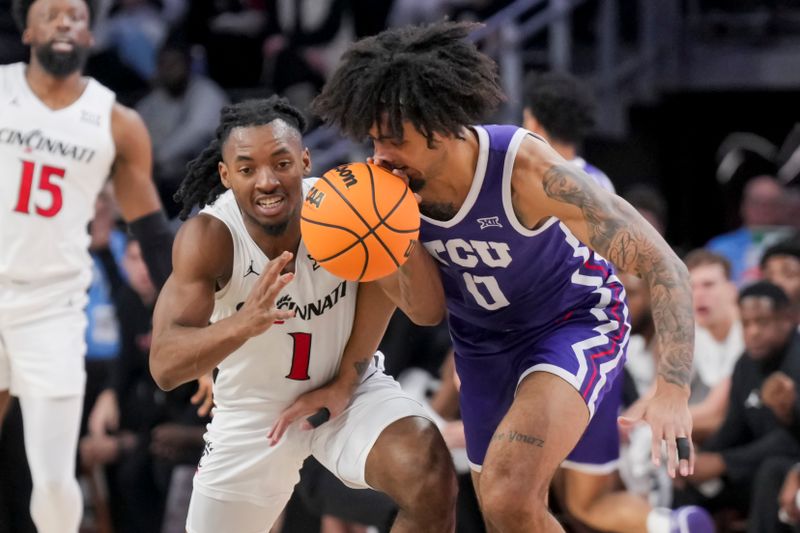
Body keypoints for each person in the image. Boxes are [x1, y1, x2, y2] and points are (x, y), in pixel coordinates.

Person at [311, 21, 701, 532]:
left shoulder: (522, 169)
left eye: (395, 140)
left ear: (442, 125)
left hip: (570, 322)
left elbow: (662, 263)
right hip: (481, 343)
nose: (381, 155)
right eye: (374, 140)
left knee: (508, 489)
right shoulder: (389, 189)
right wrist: (396, 240)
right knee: (508, 512)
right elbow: (427, 310)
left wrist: (673, 388)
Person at [149, 97, 457, 533]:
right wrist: (243, 322)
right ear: (225, 175)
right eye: (247, 169)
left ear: (305, 160)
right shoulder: (211, 238)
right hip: (256, 413)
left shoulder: (345, 207)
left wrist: (346, 381)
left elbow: (425, 310)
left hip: (347, 388)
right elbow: (163, 365)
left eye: (281, 163)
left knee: (427, 469)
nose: (267, 181)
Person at [0, 1, 174, 532]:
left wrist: (188, 324)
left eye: (75, 15)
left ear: (91, 36)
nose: (64, 23)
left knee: (53, 479)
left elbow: (153, 234)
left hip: (52, 308)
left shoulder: (117, 122)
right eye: (50, 13)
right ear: (27, 28)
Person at [522, 70, 711, 533]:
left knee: (521, 496)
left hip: (547, 354)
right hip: (599, 354)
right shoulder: (600, 180)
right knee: (583, 501)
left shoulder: (537, 183)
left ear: (532, 122)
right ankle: (672, 527)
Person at [676, 281, 800, 528]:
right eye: (746, 324)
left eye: (762, 322)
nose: (752, 332)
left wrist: (723, 461)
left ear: (787, 320)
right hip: (751, 465)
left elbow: (791, 439)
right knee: (687, 483)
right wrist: (701, 459)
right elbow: (734, 427)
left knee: (772, 471)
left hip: (789, 466)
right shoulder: (745, 363)